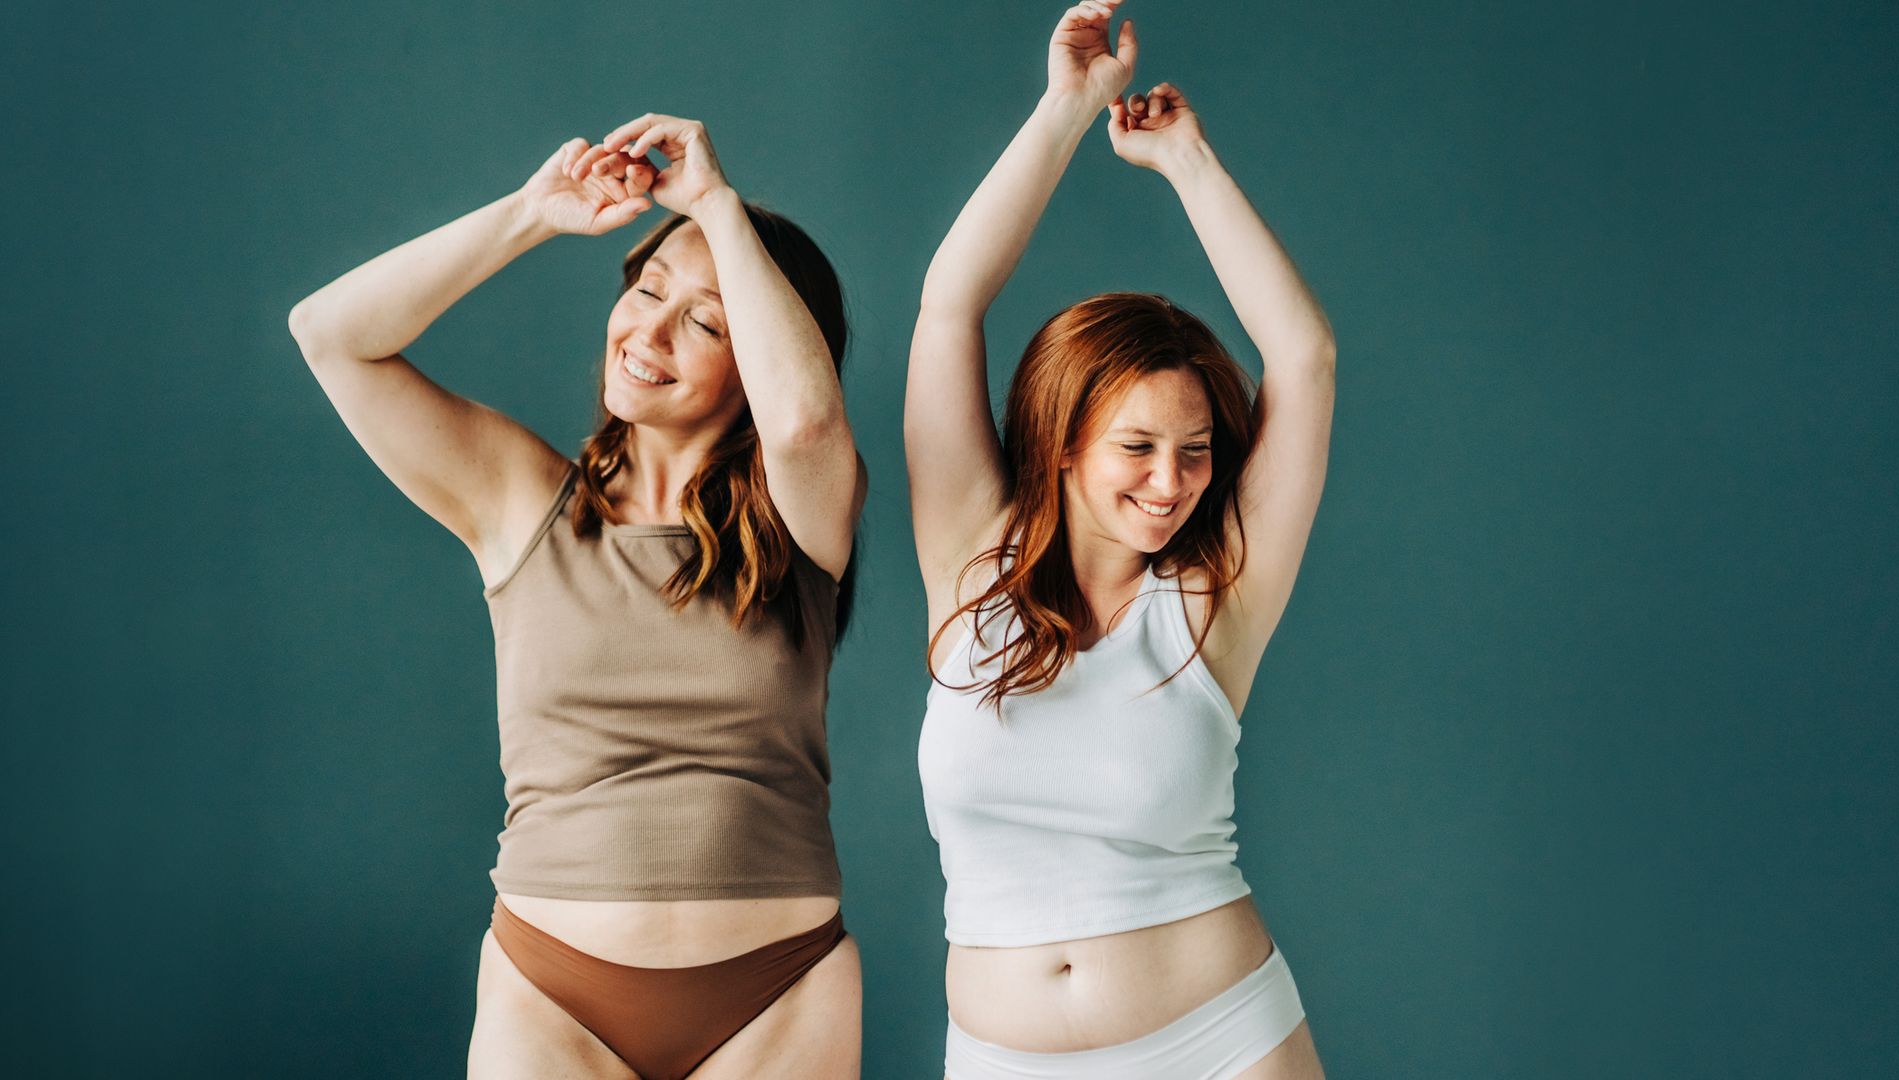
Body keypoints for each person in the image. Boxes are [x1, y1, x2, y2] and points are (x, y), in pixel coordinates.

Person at [289, 112, 863, 1079]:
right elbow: (331, 335)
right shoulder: (520, 498)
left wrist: (717, 206)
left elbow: (803, 421)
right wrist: (530, 214)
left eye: (708, 322)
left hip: (779, 991)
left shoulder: (803, 519)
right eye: (647, 289)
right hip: (551, 990)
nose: (652, 331)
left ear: (759, 356)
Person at [909, 2, 1336, 1076]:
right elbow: (950, 301)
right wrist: (1069, 108)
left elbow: (1305, 356)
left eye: (1196, 451)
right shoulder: (969, 561)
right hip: (1002, 1056)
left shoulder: (1217, 598)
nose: (1172, 482)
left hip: (1221, 1039)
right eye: (1137, 448)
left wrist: (1188, 161)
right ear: (1060, 442)